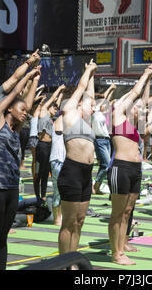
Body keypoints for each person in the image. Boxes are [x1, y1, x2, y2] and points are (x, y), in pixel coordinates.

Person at [0, 65, 41, 270]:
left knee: (2, 239)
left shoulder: (16, 129)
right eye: (21, 110)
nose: (25, 113)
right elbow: (16, 93)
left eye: (26, 111)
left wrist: (35, 80)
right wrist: (26, 76)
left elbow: (27, 103)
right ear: (9, 108)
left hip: (11, 189)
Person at [108, 63, 152, 264]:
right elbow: (135, 93)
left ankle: (122, 246)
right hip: (121, 168)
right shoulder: (118, 116)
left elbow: (143, 100)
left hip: (135, 169)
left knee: (127, 213)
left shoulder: (135, 127)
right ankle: (116, 253)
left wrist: (150, 80)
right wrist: (145, 73)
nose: (138, 108)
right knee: (117, 214)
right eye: (134, 106)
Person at [57, 60, 97, 255]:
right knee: (69, 222)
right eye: (91, 106)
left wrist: (92, 74)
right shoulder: (70, 115)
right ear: (79, 104)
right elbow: (82, 89)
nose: (95, 108)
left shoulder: (87, 122)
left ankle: (72, 260)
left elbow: (89, 93)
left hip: (86, 174)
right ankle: (62, 263)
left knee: (80, 221)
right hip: (72, 171)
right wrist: (87, 70)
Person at [33, 85, 65, 202]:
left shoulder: (53, 119)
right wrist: (59, 89)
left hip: (49, 147)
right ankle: (37, 196)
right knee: (39, 172)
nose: (55, 110)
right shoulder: (43, 113)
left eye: (57, 109)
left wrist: (61, 95)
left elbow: (57, 103)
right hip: (41, 146)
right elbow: (52, 100)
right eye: (54, 108)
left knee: (46, 172)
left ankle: (43, 195)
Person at [92, 84, 116, 194]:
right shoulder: (95, 111)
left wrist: (111, 91)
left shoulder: (101, 114)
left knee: (104, 165)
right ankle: (95, 185)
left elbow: (107, 100)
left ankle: (96, 187)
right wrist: (110, 88)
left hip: (106, 140)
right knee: (107, 165)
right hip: (99, 140)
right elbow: (104, 99)